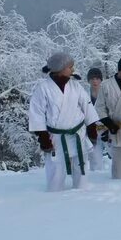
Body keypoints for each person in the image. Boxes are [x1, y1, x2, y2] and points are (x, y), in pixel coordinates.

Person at [28, 52, 99, 191]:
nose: (72, 70)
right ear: (60, 69)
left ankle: (83, 194)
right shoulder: (43, 88)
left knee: (81, 168)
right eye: (69, 67)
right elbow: (37, 113)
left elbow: (87, 106)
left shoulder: (75, 86)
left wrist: (92, 127)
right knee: (56, 171)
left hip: (78, 134)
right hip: (56, 138)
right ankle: (55, 198)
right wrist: (43, 137)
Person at [86, 67, 109, 171]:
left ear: (101, 80)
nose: (95, 81)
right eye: (92, 79)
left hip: (107, 129)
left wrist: (109, 127)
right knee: (95, 161)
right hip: (91, 130)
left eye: (97, 78)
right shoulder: (84, 94)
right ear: (89, 80)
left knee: (117, 154)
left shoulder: (107, 92)